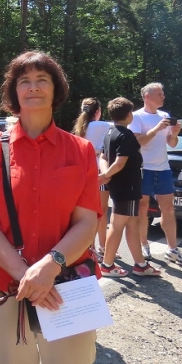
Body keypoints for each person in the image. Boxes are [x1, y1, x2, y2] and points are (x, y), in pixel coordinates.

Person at [0, 50, 101, 364]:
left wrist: (50, 266)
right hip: (3, 287)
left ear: (56, 89)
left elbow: (87, 221)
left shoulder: (80, 150)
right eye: (24, 81)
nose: (33, 87)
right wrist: (25, 274)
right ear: (14, 92)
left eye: (42, 79)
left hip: (67, 286)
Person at [98, 97, 161, 277]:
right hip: (128, 187)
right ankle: (107, 265)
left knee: (132, 223)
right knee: (116, 225)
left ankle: (141, 265)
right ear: (128, 115)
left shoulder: (110, 132)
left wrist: (105, 174)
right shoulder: (126, 135)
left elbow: (103, 157)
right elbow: (120, 163)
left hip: (119, 186)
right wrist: (106, 175)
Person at [129, 82, 182, 266]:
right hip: (143, 168)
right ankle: (144, 245)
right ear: (147, 96)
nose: (163, 97)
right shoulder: (136, 117)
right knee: (142, 208)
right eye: (159, 94)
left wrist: (174, 134)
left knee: (168, 209)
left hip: (163, 168)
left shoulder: (165, 116)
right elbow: (137, 142)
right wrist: (156, 129)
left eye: (163, 94)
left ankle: (172, 249)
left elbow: (172, 143)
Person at [71, 97, 112, 258]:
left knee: (89, 212)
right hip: (99, 173)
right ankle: (99, 247)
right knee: (101, 211)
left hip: (83, 174)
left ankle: (94, 246)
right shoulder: (102, 125)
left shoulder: (79, 127)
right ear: (98, 111)